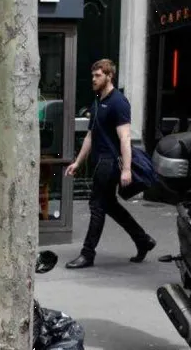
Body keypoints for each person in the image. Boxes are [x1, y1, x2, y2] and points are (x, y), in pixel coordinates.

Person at [65, 59, 155, 269]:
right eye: (93, 75)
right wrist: (78, 162)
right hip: (99, 161)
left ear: (109, 76)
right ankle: (143, 240)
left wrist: (126, 169)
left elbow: (125, 138)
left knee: (97, 206)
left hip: (110, 164)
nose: (93, 79)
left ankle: (87, 254)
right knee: (110, 206)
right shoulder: (97, 101)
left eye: (98, 75)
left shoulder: (118, 102)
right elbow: (90, 135)